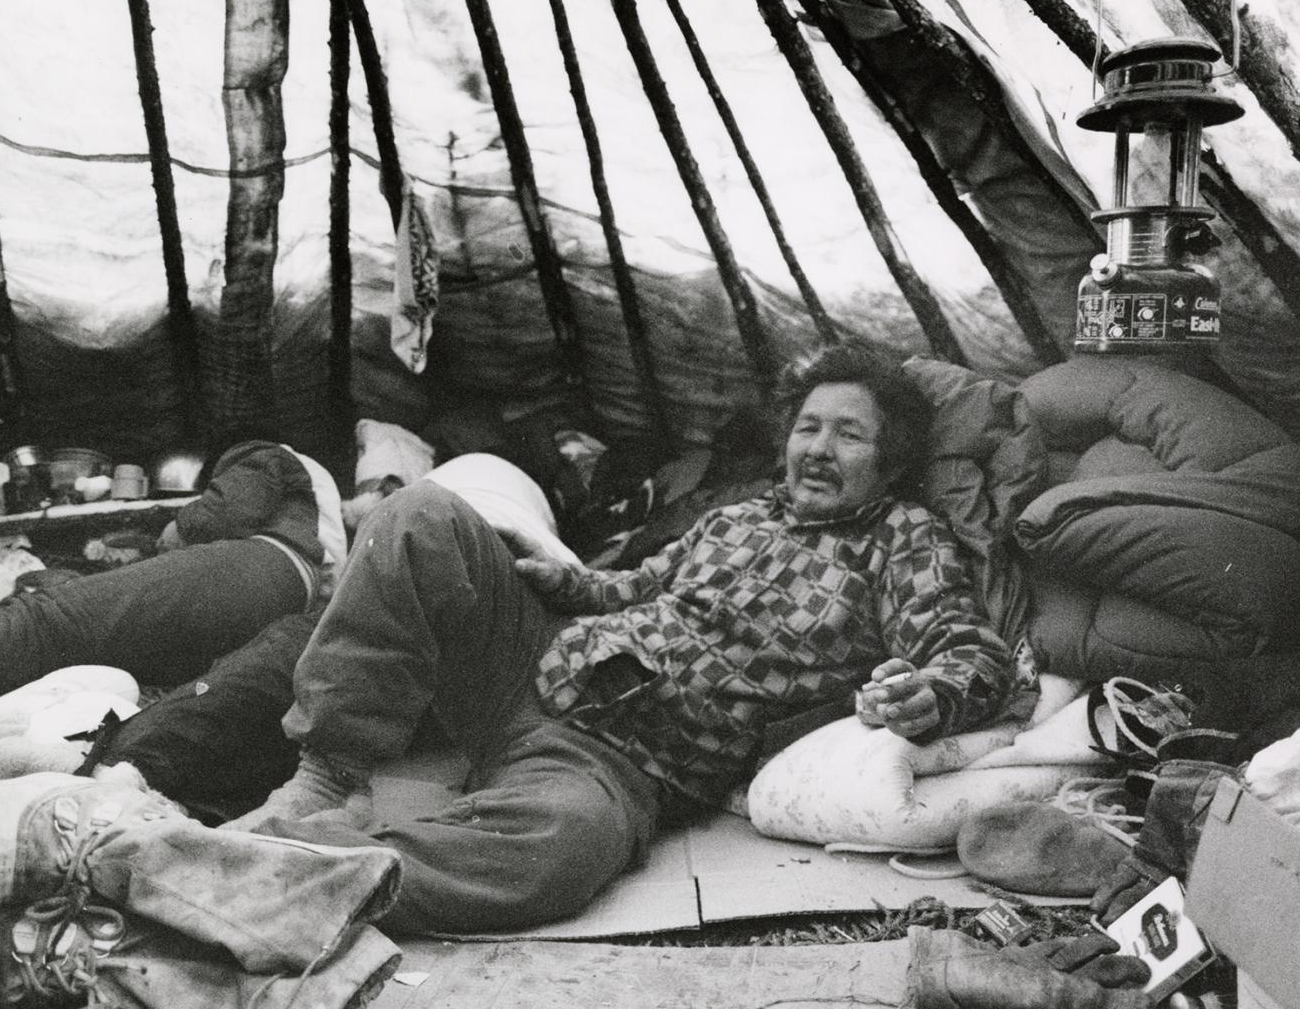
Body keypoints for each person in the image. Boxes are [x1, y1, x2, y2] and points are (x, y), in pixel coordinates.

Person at [197, 341, 1022, 934]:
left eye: (849, 433)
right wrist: (563, 580)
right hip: (534, 663)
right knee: (419, 513)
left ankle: (300, 865)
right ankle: (326, 775)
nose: (817, 448)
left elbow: (970, 651)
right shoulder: (736, 515)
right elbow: (630, 589)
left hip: (625, 753)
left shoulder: (902, 539)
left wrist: (931, 692)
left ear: (891, 459)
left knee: (556, 854)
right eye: (809, 427)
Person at [0, 440, 345, 735]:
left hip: (261, 571)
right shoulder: (325, 519)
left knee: (59, 619)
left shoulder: (269, 454)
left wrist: (175, 530)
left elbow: (219, 517)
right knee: (97, 662)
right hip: (271, 614)